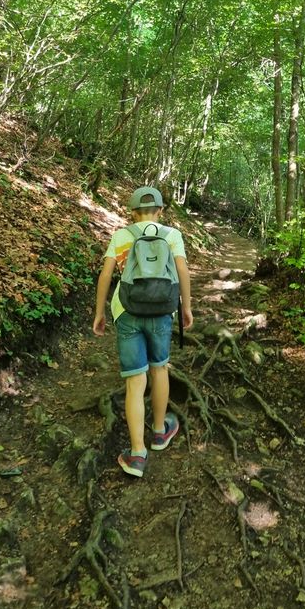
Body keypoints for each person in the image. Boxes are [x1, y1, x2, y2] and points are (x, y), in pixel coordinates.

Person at [93, 186, 193, 477]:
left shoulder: (122, 236)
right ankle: (160, 432)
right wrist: (186, 307)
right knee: (159, 369)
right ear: (160, 211)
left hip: (126, 311)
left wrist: (100, 312)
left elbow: (106, 274)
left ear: (132, 212)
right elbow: (183, 271)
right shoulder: (172, 235)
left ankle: (137, 453)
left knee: (135, 381)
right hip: (162, 311)